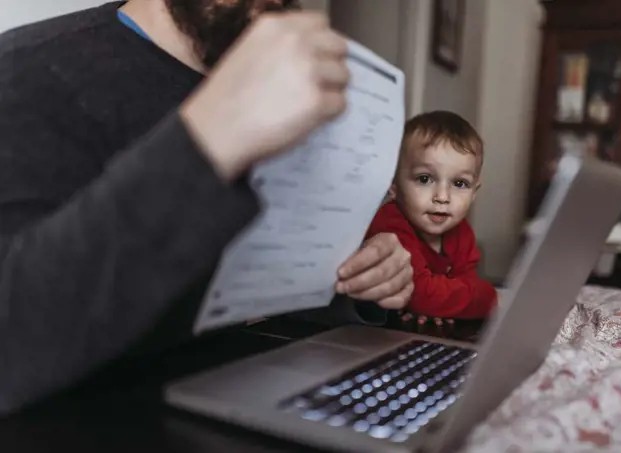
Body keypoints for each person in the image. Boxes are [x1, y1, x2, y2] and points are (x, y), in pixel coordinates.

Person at [0, 0, 414, 415]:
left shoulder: (286, 90)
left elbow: (251, 288)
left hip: (243, 408)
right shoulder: (25, 70)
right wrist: (208, 138)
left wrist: (356, 281)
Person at [365, 111, 497, 319]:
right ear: (393, 185)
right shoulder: (389, 227)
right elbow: (421, 294)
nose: (443, 197)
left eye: (459, 183)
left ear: (473, 193)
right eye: (425, 179)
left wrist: (443, 304)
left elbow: (466, 285)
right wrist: (490, 297)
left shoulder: (461, 232)